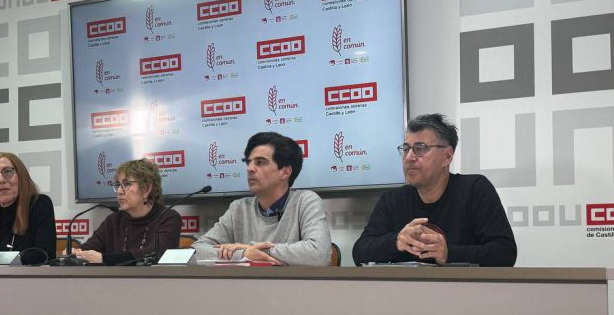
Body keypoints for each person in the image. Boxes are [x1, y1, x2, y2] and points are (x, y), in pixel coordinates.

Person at [352, 114, 517, 266]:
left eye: (420, 148)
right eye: (406, 148)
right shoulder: (393, 200)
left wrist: (449, 253)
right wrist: (396, 242)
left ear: (447, 156)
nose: (409, 157)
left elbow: (505, 252)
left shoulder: (474, 189)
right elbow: (359, 253)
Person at [192, 132, 331, 266]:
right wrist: (242, 254)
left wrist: (256, 251)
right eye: (249, 162)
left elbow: (319, 254)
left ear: (285, 172)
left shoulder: (305, 201)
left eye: (260, 162)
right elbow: (195, 251)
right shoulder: (239, 208)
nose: (250, 168)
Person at [73, 158, 181, 265]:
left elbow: (155, 254)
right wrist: (75, 253)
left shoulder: (168, 218)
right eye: (118, 185)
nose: (119, 191)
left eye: (126, 184)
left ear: (146, 189)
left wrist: (103, 258)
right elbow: (88, 248)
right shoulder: (114, 220)